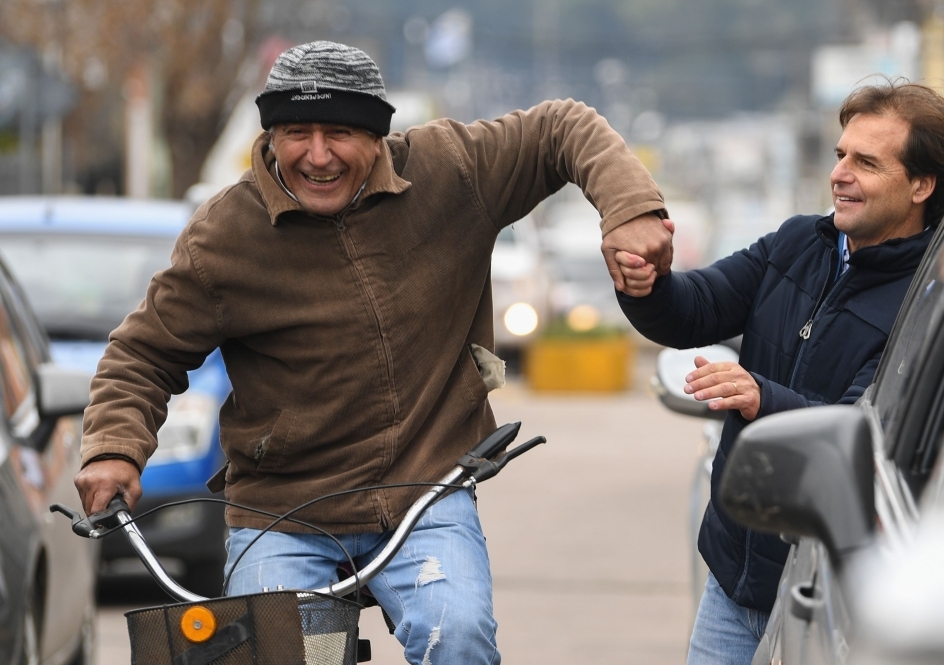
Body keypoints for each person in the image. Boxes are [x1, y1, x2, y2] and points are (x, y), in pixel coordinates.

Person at [73, 41, 671, 665]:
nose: (318, 154)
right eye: (296, 132)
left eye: (340, 132)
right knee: (275, 658)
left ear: (379, 136)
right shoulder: (224, 236)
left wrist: (628, 209)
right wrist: (115, 447)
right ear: (271, 135)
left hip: (425, 490)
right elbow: (141, 355)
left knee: (459, 637)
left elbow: (560, 128)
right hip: (282, 510)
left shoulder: (451, 172)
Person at [610, 80, 944, 664]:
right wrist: (647, 279)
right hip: (733, 583)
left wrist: (760, 399)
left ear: (921, 186)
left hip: (829, 598)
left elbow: (862, 431)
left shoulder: (930, 300)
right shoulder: (799, 241)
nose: (840, 174)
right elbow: (695, 307)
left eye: (867, 162)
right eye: (840, 155)